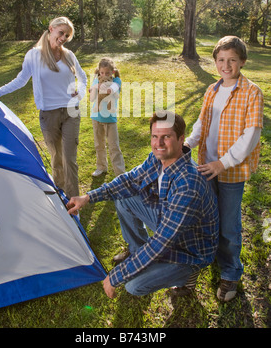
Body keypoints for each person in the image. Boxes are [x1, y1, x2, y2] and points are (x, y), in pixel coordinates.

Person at [67, 111, 219, 299]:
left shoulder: (188, 184)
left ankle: (188, 274)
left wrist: (117, 276)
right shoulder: (157, 158)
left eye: (166, 137)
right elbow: (129, 181)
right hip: (169, 224)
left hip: (190, 249)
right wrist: (88, 197)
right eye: (155, 136)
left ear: (181, 139)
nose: (158, 143)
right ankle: (138, 252)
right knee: (124, 196)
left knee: (133, 285)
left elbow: (161, 242)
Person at [185, 35, 264, 302]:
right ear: (215, 61)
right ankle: (204, 262)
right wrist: (187, 145)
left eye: (232, 60)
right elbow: (201, 123)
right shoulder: (212, 89)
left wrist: (223, 163)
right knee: (205, 219)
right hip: (206, 166)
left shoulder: (252, 92)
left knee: (229, 225)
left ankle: (231, 271)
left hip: (230, 171)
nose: (226, 65)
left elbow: (250, 136)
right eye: (221, 60)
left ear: (242, 61)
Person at [0, 16, 87, 199]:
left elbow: (83, 78)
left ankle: (74, 201)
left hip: (71, 112)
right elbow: (21, 80)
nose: (63, 38)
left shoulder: (69, 55)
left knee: (69, 159)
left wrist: (79, 94)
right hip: (49, 114)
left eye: (67, 36)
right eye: (61, 33)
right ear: (51, 29)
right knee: (56, 160)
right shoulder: (34, 55)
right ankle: (61, 196)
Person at [89, 57, 125, 177]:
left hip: (110, 118)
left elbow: (114, 89)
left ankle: (120, 172)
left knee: (114, 146)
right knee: (99, 145)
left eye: (107, 73)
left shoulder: (116, 81)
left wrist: (108, 89)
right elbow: (92, 99)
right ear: (99, 72)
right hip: (96, 117)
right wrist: (94, 89)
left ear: (112, 72)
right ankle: (101, 167)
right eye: (102, 73)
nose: (104, 75)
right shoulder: (96, 81)